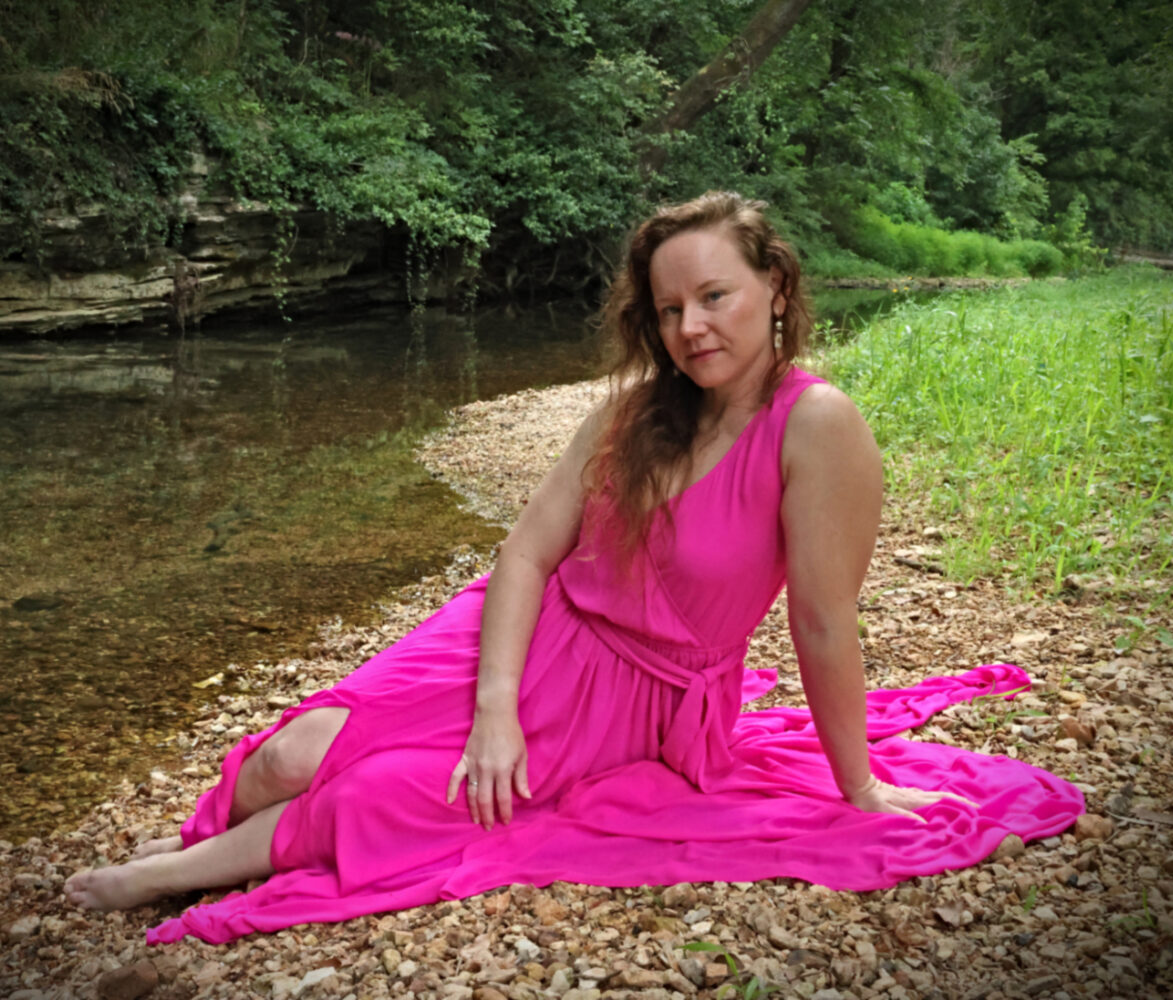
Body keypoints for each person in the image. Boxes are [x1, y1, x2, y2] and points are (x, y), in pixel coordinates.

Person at [64, 192, 1082, 944]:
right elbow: (525, 551)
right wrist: (495, 706)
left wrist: (856, 783)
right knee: (293, 756)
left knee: (391, 794)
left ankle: (176, 873)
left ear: (776, 288)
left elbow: (822, 621)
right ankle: (214, 836)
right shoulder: (634, 411)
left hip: (630, 695)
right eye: (670, 309)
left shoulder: (817, 426)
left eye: (715, 296)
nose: (692, 327)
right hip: (513, 626)